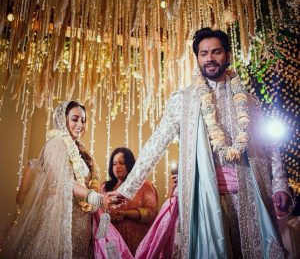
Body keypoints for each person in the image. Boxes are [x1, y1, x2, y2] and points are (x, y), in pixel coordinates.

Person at [109, 28, 292, 258]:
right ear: (197, 58)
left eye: (216, 52)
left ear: (227, 55)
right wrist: (127, 189)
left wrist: (280, 186)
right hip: (205, 199)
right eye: (203, 53)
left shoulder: (248, 101)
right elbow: (156, 143)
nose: (209, 59)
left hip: (249, 197)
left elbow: (270, 145)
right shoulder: (183, 101)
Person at [1, 101, 107, 258]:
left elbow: (89, 182)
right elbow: (66, 182)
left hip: (82, 223)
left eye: (83, 120)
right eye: (75, 119)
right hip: (61, 220)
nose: (80, 124)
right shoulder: (56, 144)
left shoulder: (81, 152)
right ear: (63, 119)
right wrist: (96, 198)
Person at [101, 147, 158, 255]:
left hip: (136, 244)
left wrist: (126, 214)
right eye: (114, 163)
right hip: (110, 246)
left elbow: (152, 213)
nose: (117, 166)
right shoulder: (105, 187)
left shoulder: (143, 185)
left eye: (121, 163)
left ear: (130, 164)